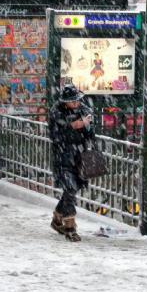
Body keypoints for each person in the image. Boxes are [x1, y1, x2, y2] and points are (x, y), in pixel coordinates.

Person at [48, 84, 95, 242]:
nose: (76, 104)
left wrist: (87, 125)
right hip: (63, 155)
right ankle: (70, 227)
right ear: (65, 102)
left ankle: (57, 218)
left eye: (77, 100)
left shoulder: (83, 109)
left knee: (73, 189)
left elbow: (91, 134)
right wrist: (73, 127)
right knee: (70, 187)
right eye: (72, 101)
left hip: (80, 156)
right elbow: (56, 136)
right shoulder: (56, 112)